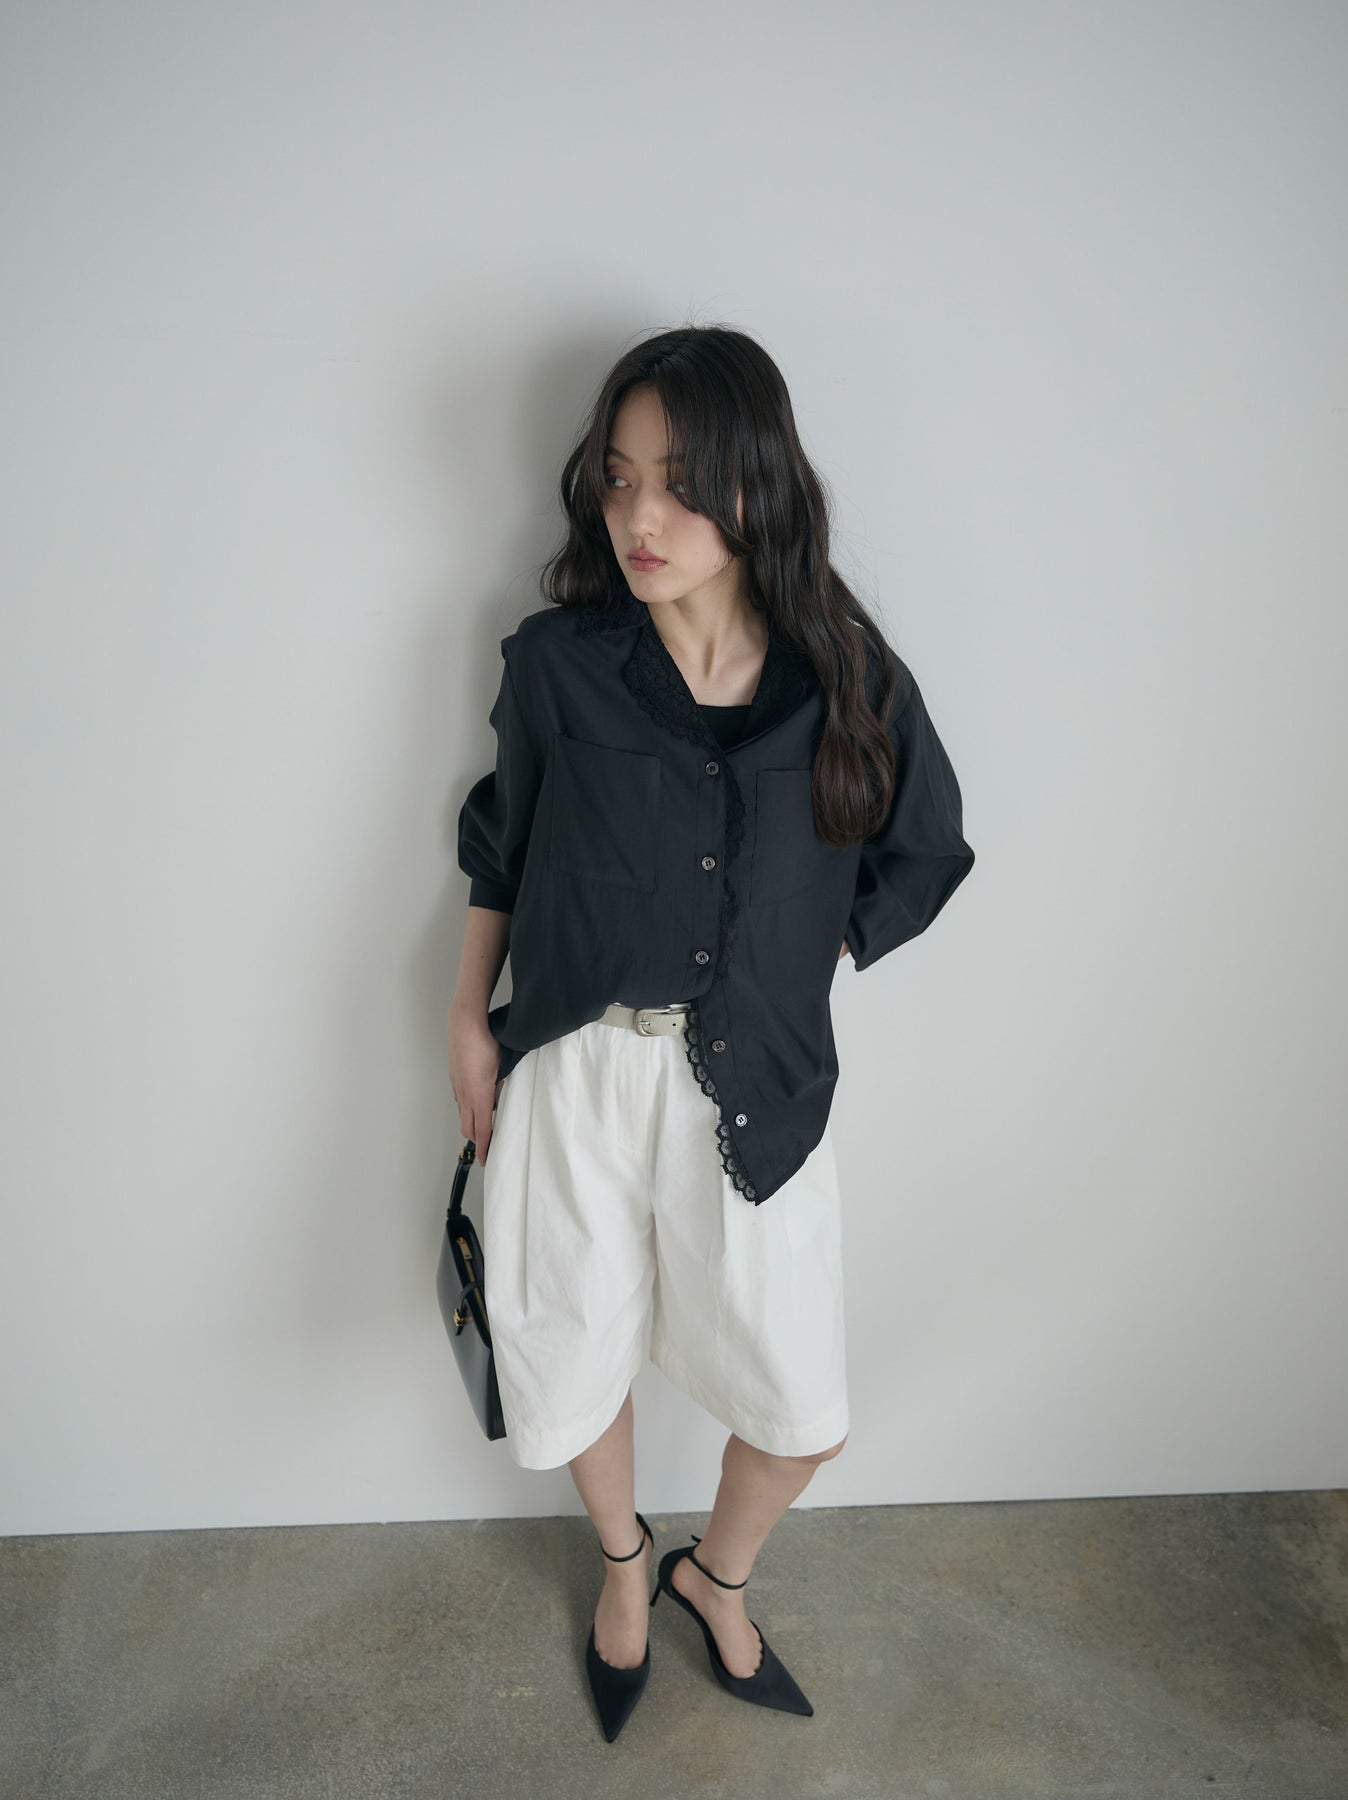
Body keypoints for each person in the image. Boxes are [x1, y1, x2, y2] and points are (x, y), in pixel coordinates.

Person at [448, 324, 974, 1741]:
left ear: (757, 485)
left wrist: (790, 952)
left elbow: (924, 851)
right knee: (573, 1357)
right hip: (572, 1068)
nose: (641, 516)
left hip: (754, 1081)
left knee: (802, 1413)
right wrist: (465, 1020)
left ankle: (712, 1575)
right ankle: (626, 1565)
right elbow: (501, 844)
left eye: (681, 484)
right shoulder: (559, 664)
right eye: (620, 478)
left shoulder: (844, 678)